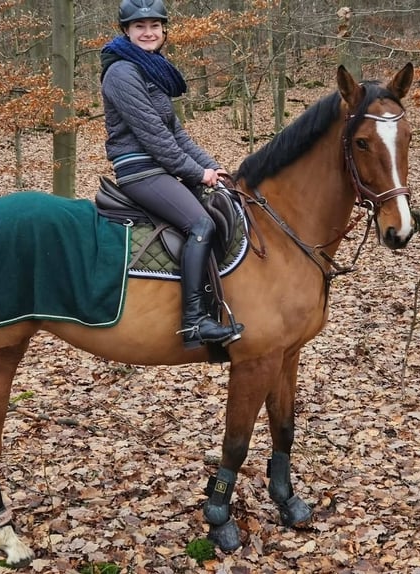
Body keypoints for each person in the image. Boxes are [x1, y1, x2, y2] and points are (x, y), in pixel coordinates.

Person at [100, 0, 243, 349]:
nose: (148, 32)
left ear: (164, 30)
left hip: (159, 165)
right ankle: (194, 322)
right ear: (126, 32)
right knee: (201, 224)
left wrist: (214, 168)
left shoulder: (151, 70)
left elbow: (177, 134)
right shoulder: (122, 72)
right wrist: (198, 174)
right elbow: (155, 138)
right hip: (140, 170)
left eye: (154, 26)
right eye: (139, 27)